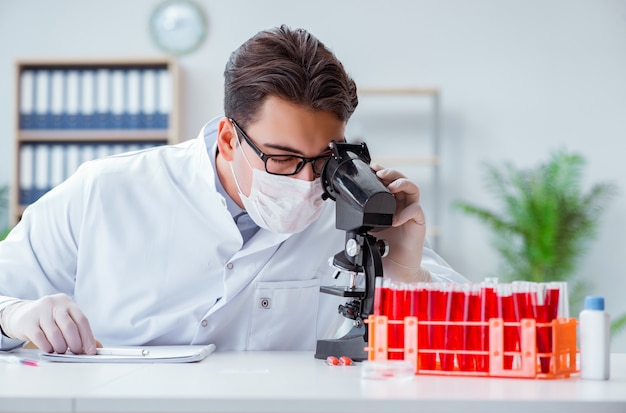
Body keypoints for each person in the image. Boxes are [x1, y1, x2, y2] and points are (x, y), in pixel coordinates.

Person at [0, 25, 467, 355]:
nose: (306, 183)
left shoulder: (349, 205)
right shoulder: (105, 191)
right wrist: (17, 316)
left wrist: (404, 270)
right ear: (228, 138)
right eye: (281, 158)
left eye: (322, 160)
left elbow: (473, 330)